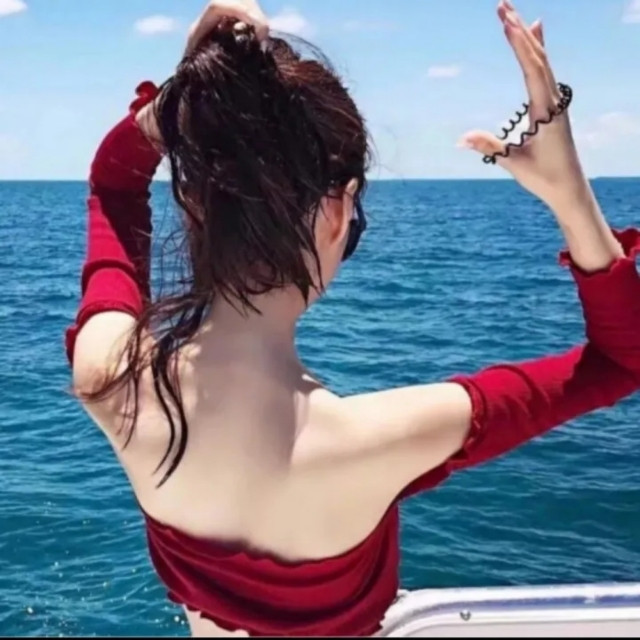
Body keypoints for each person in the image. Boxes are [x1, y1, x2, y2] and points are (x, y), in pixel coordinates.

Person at [65, 0, 640, 636]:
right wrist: (568, 193)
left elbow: (114, 184)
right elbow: (622, 359)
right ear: (338, 212)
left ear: (194, 203)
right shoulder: (375, 440)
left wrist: (185, 103)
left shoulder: (113, 381)